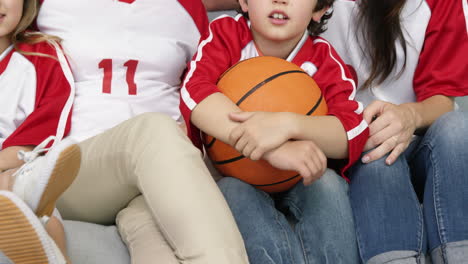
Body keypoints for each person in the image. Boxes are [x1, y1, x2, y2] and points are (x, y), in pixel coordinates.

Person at [1, 0, 250, 263]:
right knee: (154, 128)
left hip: (161, 166)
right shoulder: (48, 4)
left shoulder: (188, 7)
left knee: (158, 238)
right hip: (78, 167)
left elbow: (200, 83)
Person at [180, 0, 369, 263]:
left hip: (299, 176)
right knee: (232, 191)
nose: (281, 0)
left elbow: (352, 130)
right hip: (236, 173)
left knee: (328, 185)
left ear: (319, 9)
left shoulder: (323, 59)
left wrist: (288, 124)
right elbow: (195, 90)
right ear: (244, 2)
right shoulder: (226, 35)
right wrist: (272, 146)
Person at [320, 0, 468, 263]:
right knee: (376, 157)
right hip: (357, 150)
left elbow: (442, 99)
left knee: (458, 128)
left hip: (420, 138)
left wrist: (409, 116)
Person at [0, 0, 78, 262]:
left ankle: (28, 196)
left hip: (16, 163)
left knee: (44, 216)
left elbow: (46, 128)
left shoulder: (42, 53)